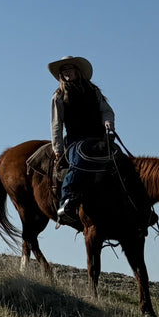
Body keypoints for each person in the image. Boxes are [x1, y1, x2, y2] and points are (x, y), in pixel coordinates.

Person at [48, 55, 116, 229]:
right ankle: (67, 202)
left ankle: (136, 204)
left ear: (77, 70)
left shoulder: (94, 91)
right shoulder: (59, 96)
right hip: (76, 141)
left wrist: (108, 123)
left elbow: (107, 111)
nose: (66, 72)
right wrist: (58, 149)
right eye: (63, 70)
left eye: (69, 68)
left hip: (99, 138)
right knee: (78, 164)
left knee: (121, 161)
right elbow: (57, 123)